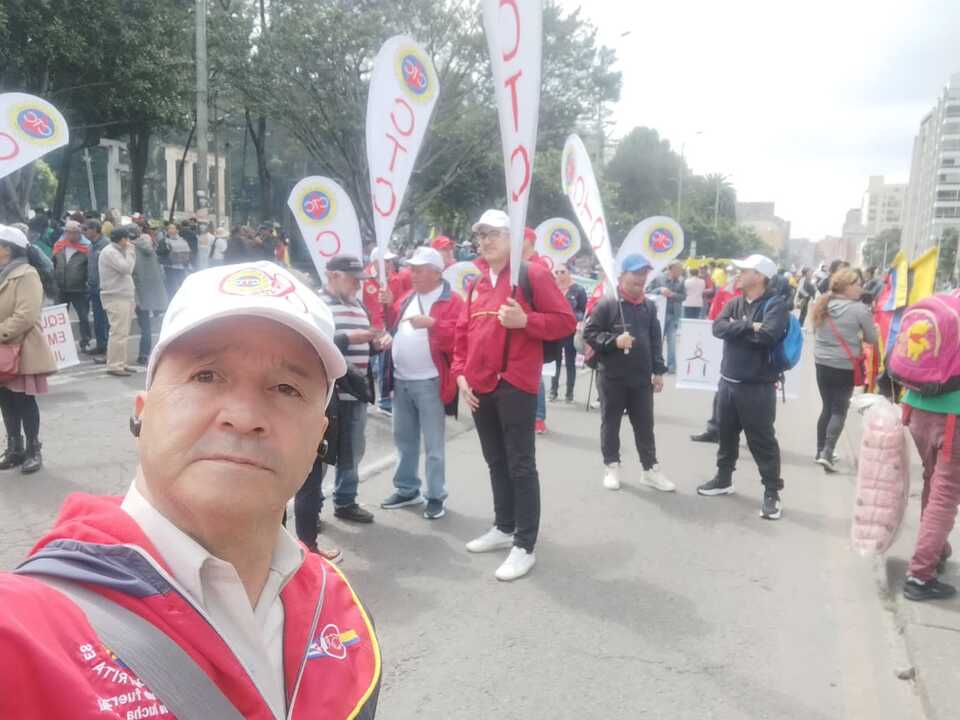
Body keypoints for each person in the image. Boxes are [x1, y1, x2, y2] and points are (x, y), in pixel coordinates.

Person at [0, 261, 381, 719]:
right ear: (144, 411)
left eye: (286, 387)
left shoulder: (342, 614)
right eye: (206, 375)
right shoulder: (23, 636)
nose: (244, 415)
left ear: (319, 435)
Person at [452, 209, 575, 581]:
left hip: (516, 384)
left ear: (512, 238)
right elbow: (463, 334)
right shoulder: (477, 284)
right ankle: (504, 527)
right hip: (479, 387)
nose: (485, 241)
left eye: (493, 234)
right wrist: (460, 376)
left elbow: (566, 321)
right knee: (495, 461)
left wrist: (527, 322)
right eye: (481, 235)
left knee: (520, 464)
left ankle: (524, 545)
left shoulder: (532, 274)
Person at [697, 254, 788, 521]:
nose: (737, 274)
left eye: (744, 270)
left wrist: (736, 329)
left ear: (759, 276)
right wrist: (749, 326)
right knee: (726, 436)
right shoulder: (735, 301)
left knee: (762, 441)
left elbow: (768, 335)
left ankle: (772, 492)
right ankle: (723, 478)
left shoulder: (776, 305)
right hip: (728, 382)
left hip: (757, 386)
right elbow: (717, 327)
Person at [380, 247, 463, 519]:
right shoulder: (408, 296)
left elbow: (462, 339)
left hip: (431, 381)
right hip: (402, 380)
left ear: (436, 273)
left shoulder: (452, 301)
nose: (411, 274)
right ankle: (407, 489)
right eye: (412, 269)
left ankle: (436, 495)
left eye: (418, 270)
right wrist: (388, 306)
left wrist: (433, 324)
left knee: (434, 445)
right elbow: (395, 324)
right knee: (404, 440)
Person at [584, 254, 674, 493]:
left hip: (641, 378)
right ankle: (611, 466)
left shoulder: (649, 306)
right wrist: (614, 341)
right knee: (610, 423)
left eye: (644, 274)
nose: (640, 279)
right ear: (622, 275)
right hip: (612, 377)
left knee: (645, 425)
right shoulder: (607, 304)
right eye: (636, 273)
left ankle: (649, 470)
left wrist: (658, 371)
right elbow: (590, 334)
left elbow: (655, 339)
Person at [319, 255, 391, 523]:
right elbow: (317, 342)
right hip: (330, 395)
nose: (357, 286)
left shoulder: (358, 305)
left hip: (356, 392)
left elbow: (365, 344)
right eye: (353, 280)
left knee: (354, 449)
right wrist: (348, 338)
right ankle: (312, 509)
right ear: (333, 276)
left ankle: (345, 501)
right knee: (323, 453)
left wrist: (376, 344)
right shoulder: (319, 304)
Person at [0, 225, 57, 474]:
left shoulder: (26, 274)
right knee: (5, 401)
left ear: (8, 249)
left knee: (23, 400)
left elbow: (26, 315)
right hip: (3, 347)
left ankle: (34, 449)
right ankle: (14, 448)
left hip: (22, 347)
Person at [811, 270, 877, 472]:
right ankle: (827, 453)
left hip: (822, 362)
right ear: (846, 287)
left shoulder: (823, 304)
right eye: (858, 284)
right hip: (845, 365)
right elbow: (871, 339)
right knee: (839, 410)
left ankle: (820, 450)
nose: (861, 288)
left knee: (827, 408)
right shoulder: (859, 310)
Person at [900, 384, 960, 601]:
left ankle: (937, 549)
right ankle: (920, 576)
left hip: (918, 407)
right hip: (953, 416)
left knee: (933, 480)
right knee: (945, 496)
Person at [690, 268, 742, 444]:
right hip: (728, 351)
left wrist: (741, 326)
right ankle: (715, 430)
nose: (740, 275)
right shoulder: (726, 291)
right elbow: (715, 320)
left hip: (753, 360)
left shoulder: (767, 300)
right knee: (722, 393)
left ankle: (756, 437)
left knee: (750, 401)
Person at [99, 226, 138, 377]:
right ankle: (114, 365)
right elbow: (126, 268)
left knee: (123, 332)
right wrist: (130, 252)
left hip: (123, 295)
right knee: (118, 332)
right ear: (122, 239)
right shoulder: (110, 252)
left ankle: (121, 362)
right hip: (115, 296)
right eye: (127, 238)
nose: (129, 242)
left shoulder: (117, 251)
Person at [52, 219, 93, 353]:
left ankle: (85, 341)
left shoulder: (87, 247)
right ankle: (60, 344)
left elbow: (91, 267)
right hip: (61, 288)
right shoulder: (59, 245)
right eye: (67, 232)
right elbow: (54, 263)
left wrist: (87, 282)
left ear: (79, 233)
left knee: (83, 317)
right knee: (59, 318)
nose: (70, 235)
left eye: (73, 233)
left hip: (79, 289)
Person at [550, 263, 587, 403]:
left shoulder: (578, 290)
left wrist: (577, 321)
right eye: (557, 272)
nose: (559, 275)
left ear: (569, 273)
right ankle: (553, 391)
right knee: (556, 362)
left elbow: (583, 310)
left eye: (563, 272)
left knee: (570, 362)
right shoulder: (552, 288)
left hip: (570, 331)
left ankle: (569, 394)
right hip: (555, 331)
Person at [132, 229, 168, 365]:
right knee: (154, 326)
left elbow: (133, 273)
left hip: (140, 293)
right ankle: (151, 353)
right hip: (154, 292)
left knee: (144, 325)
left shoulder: (133, 251)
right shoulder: (152, 251)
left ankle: (143, 354)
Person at [647, 260, 686, 374]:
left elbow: (683, 296)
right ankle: (654, 365)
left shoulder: (681, 280)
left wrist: (672, 294)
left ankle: (671, 367)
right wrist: (660, 290)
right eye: (679, 269)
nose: (680, 272)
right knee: (657, 342)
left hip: (673, 315)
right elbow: (648, 291)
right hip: (658, 316)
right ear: (671, 268)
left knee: (672, 342)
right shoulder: (658, 277)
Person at [83, 219, 111, 356]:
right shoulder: (91, 246)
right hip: (93, 286)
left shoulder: (105, 245)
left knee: (105, 319)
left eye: (86, 229)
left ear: (95, 229)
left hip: (104, 287)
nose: (84, 232)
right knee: (98, 319)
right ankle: (101, 345)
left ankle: (107, 346)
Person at [161, 223, 192, 298]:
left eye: (173, 228)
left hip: (176, 267)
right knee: (175, 287)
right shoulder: (164, 241)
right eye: (169, 228)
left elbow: (188, 252)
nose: (171, 230)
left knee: (177, 287)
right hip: (174, 267)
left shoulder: (181, 240)